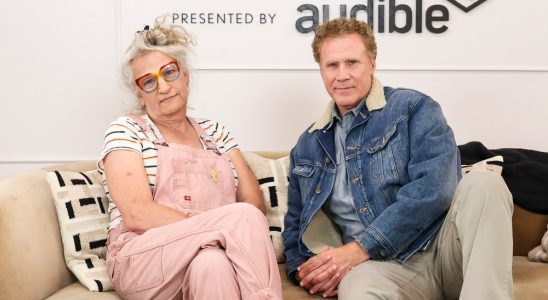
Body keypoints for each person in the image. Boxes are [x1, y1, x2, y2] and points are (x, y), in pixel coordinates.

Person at [283, 17, 514, 299]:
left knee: (484, 184)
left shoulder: (413, 108)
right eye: (332, 65)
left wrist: (359, 249)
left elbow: (434, 191)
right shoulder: (307, 146)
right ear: (321, 71)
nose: (342, 75)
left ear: (372, 63)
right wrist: (310, 274)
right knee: (356, 288)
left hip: (443, 252)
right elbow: (294, 229)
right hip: (382, 270)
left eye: (352, 62)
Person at [98, 19, 282, 300]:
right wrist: (216, 226)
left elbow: (253, 203)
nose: (162, 87)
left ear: (186, 76)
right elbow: (136, 213)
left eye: (169, 73)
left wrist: (213, 235)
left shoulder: (216, 133)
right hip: (143, 258)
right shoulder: (127, 130)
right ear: (139, 93)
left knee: (212, 264)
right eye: (149, 81)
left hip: (212, 252)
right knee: (239, 220)